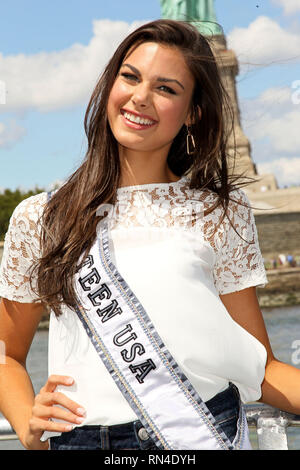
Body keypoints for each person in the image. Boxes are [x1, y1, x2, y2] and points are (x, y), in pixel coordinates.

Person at [0, 19, 300, 451]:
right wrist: (27, 423)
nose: (140, 97)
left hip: (201, 436)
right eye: (130, 77)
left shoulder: (219, 212)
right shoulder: (41, 218)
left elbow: (262, 367)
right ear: (110, 85)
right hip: (85, 443)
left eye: (166, 88)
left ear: (193, 111)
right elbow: (7, 354)